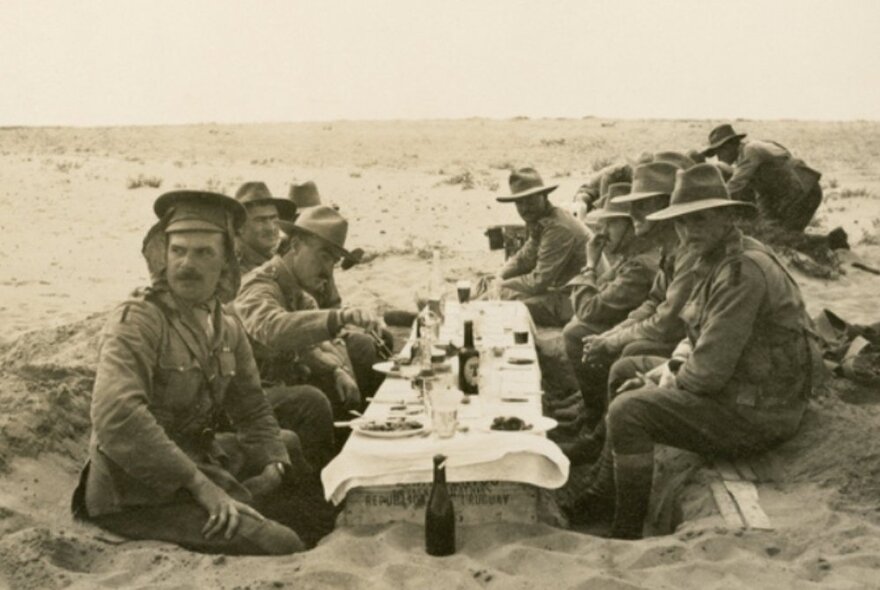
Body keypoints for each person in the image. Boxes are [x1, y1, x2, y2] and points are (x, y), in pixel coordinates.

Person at [72, 190, 335, 555]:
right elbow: (118, 418)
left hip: (197, 458)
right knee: (280, 540)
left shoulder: (225, 322)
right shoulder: (138, 320)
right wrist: (202, 487)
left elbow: (252, 405)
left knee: (289, 454)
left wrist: (272, 459)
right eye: (178, 250)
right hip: (138, 491)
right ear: (163, 254)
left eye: (203, 253)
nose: (186, 264)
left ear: (226, 262)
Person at [576, 164, 820, 539]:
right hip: (742, 391)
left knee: (630, 411)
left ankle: (625, 529)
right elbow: (693, 334)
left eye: (699, 220)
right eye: (681, 222)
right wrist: (662, 372)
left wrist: (662, 382)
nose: (688, 231)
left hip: (761, 413)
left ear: (727, 217)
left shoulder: (741, 272)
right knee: (628, 370)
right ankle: (602, 489)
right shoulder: (715, 258)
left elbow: (706, 375)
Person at [234, 205, 387, 418]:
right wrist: (340, 317)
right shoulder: (259, 285)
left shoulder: (300, 295)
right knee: (311, 401)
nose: (327, 271)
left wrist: (338, 370)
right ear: (295, 246)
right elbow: (272, 328)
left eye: (333, 262)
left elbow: (314, 347)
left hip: (277, 385)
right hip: (241, 396)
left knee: (337, 380)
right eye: (323, 256)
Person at [555, 182, 660, 461]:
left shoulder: (641, 264)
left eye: (611, 225)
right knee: (579, 328)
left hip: (648, 334)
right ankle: (589, 411)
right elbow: (593, 296)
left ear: (629, 226)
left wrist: (590, 263)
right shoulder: (631, 257)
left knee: (578, 332)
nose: (602, 232)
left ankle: (595, 422)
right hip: (633, 324)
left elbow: (588, 308)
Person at [483, 167, 590, 327]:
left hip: (577, 301)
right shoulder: (542, 221)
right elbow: (524, 258)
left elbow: (538, 281)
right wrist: (500, 276)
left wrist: (501, 286)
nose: (525, 208)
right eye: (519, 203)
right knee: (488, 284)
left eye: (530, 201)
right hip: (560, 292)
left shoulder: (558, 228)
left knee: (503, 302)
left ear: (544, 196)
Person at [701, 124, 822, 232]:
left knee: (786, 235)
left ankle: (831, 243)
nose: (718, 157)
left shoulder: (750, 151)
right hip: (796, 193)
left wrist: (710, 203)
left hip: (804, 191)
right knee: (775, 232)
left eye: (720, 151)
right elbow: (762, 193)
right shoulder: (746, 157)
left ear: (731, 145)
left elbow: (735, 185)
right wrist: (765, 220)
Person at [234, 182, 297, 275]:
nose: (271, 228)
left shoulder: (269, 257)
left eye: (274, 218)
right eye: (260, 220)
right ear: (239, 226)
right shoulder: (233, 266)